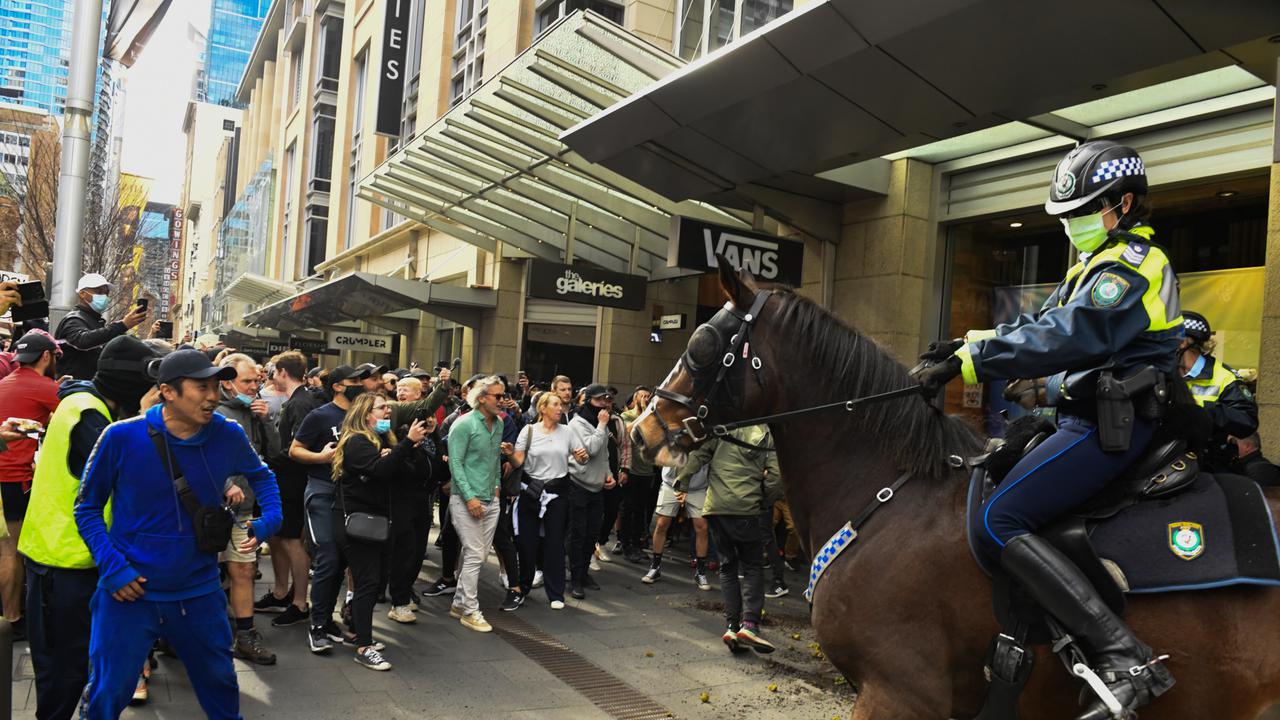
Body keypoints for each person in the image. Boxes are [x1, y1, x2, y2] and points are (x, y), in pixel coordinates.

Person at [914, 140, 1181, 719]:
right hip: (1080, 416)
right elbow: (1041, 322)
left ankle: (1122, 657)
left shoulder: (1134, 264)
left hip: (1113, 425)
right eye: (1066, 216)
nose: (1071, 225)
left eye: (1082, 212)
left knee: (998, 518)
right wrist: (966, 342)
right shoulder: (1091, 264)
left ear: (1124, 203)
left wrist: (971, 366)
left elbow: (1074, 334)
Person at [75, 348, 282, 719]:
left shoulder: (228, 434)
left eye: (217, 386)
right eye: (201, 387)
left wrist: (269, 521)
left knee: (220, 686)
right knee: (108, 691)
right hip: (128, 593)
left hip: (199, 593)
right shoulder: (120, 436)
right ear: (168, 391)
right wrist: (113, 568)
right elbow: (87, 509)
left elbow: (263, 477)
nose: (213, 396)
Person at [20, 336, 162, 720]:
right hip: (65, 561)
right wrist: (144, 418)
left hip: (61, 555)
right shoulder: (90, 415)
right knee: (66, 668)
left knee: (66, 665)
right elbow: (129, 473)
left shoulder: (82, 402)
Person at [292, 364, 449, 653]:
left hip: (365, 506)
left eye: (374, 380)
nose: (371, 384)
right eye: (360, 380)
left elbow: (419, 415)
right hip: (329, 494)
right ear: (340, 385)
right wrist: (322, 456)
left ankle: (351, 624)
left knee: (358, 572)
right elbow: (294, 450)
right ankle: (321, 624)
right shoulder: (323, 416)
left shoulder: (382, 427)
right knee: (330, 560)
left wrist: (411, 445)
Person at [332, 393, 428, 670]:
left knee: (373, 583)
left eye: (388, 407)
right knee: (369, 583)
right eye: (382, 408)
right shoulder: (357, 441)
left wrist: (408, 447)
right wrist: (404, 445)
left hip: (380, 524)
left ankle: (357, 628)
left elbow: (409, 472)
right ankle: (364, 645)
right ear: (365, 414)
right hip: (358, 525)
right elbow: (380, 471)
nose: (389, 412)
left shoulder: (385, 440)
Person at [675, 426, 780, 653]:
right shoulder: (766, 434)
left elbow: (698, 455)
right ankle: (750, 625)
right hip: (747, 509)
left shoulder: (724, 428)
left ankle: (732, 626)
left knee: (727, 567)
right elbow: (776, 477)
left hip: (717, 509)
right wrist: (764, 500)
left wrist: (681, 480)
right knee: (752, 567)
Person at [213, 353, 282, 665]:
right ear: (227, 382)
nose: (255, 386)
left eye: (258, 380)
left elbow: (273, 454)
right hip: (209, 509)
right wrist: (225, 482)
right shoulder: (211, 409)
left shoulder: (256, 411)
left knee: (242, 569)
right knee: (205, 573)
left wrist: (265, 419)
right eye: (248, 381)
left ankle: (245, 635)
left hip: (245, 508)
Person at [0, 329, 62, 639]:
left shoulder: (4, 383)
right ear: (46, 356)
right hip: (15, 478)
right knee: (11, 551)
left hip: (5, 474)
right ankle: (12, 617)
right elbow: (64, 423)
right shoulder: (47, 387)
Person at [254, 351, 318, 627]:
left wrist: (263, 462)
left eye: (273, 371)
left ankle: (299, 602)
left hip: (293, 481)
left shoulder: (300, 403)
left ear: (282, 372)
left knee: (292, 541)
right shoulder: (296, 401)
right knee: (278, 537)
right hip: (284, 480)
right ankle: (281, 592)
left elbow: (297, 448)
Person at [509, 392, 583, 609]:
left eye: (561, 405)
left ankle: (556, 593)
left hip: (557, 492)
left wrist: (582, 456)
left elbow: (580, 455)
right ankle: (522, 588)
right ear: (543, 408)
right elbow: (517, 462)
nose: (560, 408)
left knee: (554, 543)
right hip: (531, 490)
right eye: (556, 404)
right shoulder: (529, 430)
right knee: (526, 542)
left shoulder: (567, 432)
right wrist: (509, 453)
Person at [447, 375, 507, 632]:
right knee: (474, 554)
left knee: (478, 554)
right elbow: (455, 463)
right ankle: (470, 610)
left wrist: (496, 489)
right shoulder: (463, 425)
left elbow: (494, 459)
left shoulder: (499, 424)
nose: (503, 401)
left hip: (490, 498)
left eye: (503, 396)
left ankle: (459, 603)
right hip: (465, 499)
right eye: (498, 396)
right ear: (481, 398)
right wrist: (469, 497)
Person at [1178, 311, 1259, 469]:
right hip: (1165, 462)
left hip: (1206, 465)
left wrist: (1202, 410)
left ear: (1183, 342)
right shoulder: (1163, 372)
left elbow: (1247, 421)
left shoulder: (1224, 377)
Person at [386, 376, 437, 623]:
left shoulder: (428, 423)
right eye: (398, 389)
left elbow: (436, 457)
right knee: (403, 549)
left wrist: (434, 434)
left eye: (406, 389)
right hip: (401, 495)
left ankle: (405, 591)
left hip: (424, 496)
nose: (400, 393)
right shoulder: (394, 419)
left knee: (417, 550)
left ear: (419, 395)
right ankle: (399, 599)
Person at [565, 384, 616, 600]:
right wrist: (602, 425)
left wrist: (608, 473)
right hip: (578, 485)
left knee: (592, 534)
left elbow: (603, 454)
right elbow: (590, 450)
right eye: (598, 400)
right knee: (578, 534)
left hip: (596, 487)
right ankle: (574, 579)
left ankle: (584, 573)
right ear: (588, 401)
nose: (603, 404)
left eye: (606, 400)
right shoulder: (578, 423)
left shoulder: (598, 424)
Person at [53, 273, 149, 380]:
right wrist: (122, 325)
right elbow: (83, 341)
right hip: (73, 387)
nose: (104, 296)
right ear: (82, 294)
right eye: (99, 291)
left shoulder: (95, 320)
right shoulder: (73, 319)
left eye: (106, 293)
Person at [643, 464, 711, 589]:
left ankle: (700, 572)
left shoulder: (706, 443)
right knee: (662, 524)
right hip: (671, 484)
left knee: (702, 527)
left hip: (697, 488)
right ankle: (655, 567)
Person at [619, 387, 656, 564]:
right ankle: (625, 544)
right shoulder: (627, 416)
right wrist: (643, 413)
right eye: (643, 396)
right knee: (628, 509)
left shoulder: (653, 417)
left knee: (641, 510)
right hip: (631, 470)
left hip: (647, 470)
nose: (646, 399)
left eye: (648, 396)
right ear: (635, 399)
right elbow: (627, 433)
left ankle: (637, 544)